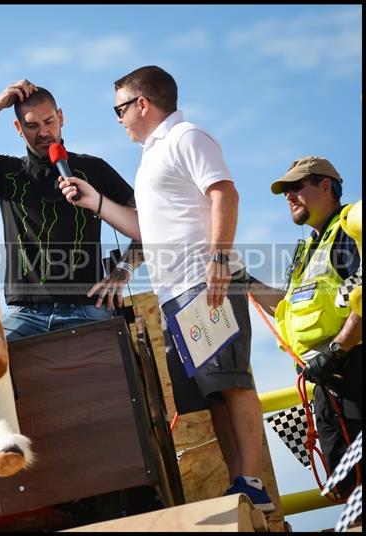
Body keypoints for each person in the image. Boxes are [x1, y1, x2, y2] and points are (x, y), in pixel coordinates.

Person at [60, 65, 273, 511]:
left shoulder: (186, 137)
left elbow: (225, 194)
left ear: (142, 103)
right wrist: (95, 200)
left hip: (204, 282)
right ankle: (242, 485)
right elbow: (144, 228)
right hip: (175, 293)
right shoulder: (151, 155)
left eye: (119, 108)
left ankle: (252, 482)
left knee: (232, 384)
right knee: (212, 393)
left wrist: (218, 259)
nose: (117, 119)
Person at [0, 79, 140, 342]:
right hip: (25, 314)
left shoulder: (95, 169)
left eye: (49, 121)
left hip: (88, 308)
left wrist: (123, 270)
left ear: (61, 117)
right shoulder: (8, 173)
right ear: (18, 127)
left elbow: (149, 224)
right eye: (32, 125)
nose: (43, 132)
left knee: (116, 373)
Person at [249, 156, 361, 497]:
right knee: (347, 485)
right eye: (285, 191)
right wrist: (242, 281)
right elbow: (287, 307)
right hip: (327, 380)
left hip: (353, 370)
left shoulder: (348, 230)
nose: (289, 196)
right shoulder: (310, 248)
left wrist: (337, 349)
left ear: (326, 186)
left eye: (297, 187)